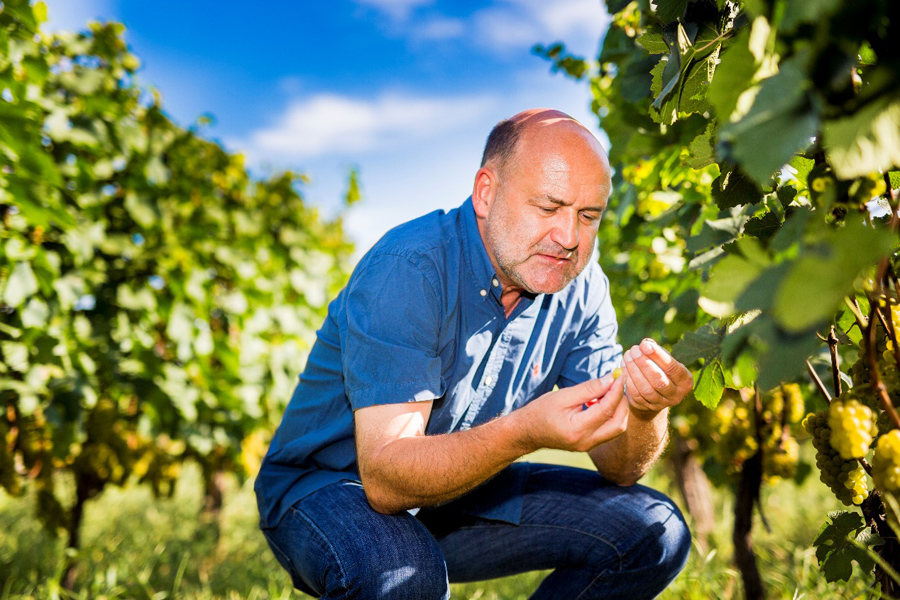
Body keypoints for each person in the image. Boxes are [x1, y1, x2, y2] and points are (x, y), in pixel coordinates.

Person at [255, 108, 694, 599]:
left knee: (654, 532)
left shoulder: (582, 288)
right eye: (549, 207)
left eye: (587, 216)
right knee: (404, 575)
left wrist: (645, 408)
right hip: (329, 489)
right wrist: (524, 431)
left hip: (458, 488)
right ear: (486, 192)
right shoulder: (409, 268)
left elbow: (620, 466)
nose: (569, 238)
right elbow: (383, 479)